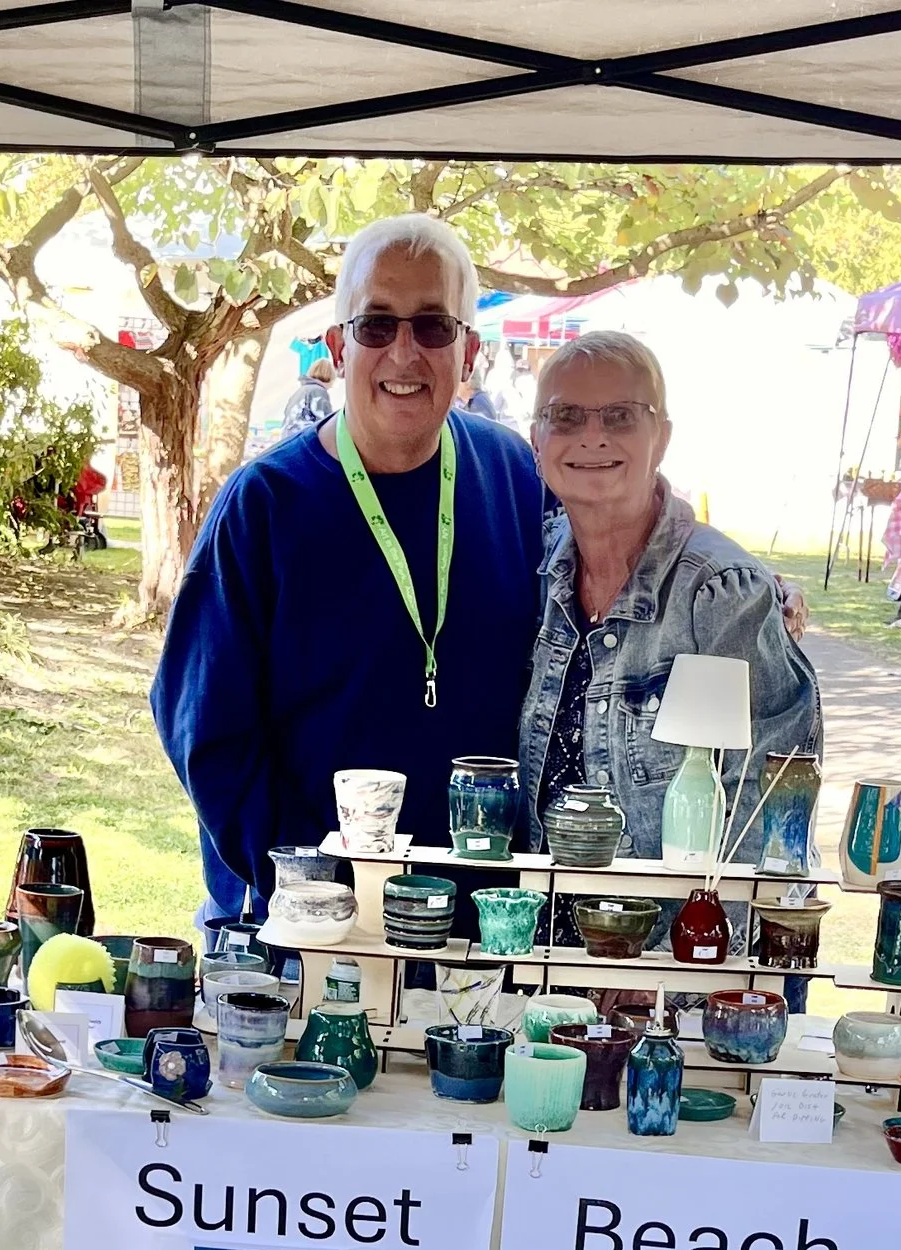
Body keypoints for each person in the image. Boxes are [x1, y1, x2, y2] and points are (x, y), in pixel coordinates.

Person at [152, 215, 546, 928]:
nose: (403, 352)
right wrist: (311, 885)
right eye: (375, 326)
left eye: (433, 327)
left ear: (471, 353)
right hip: (305, 930)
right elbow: (205, 731)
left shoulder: (518, 476)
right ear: (337, 347)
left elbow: (622, 564)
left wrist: (745, 584)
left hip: (479, 929)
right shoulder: (263, 506)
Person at [515, 329, 820, 861]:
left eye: (620, 416)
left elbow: (769, 811)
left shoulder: (722, 595)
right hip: (540, 928)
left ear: (663, 436)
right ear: (536, 440)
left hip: (667, 937)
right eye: (566, 416)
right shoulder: (533, 567)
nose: (592, 437)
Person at [280, 357, 333, 434]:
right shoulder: (318, 392)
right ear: (330, 377)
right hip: (304, 440)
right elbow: (326, 424)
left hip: (289, 438)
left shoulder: (299, 392)